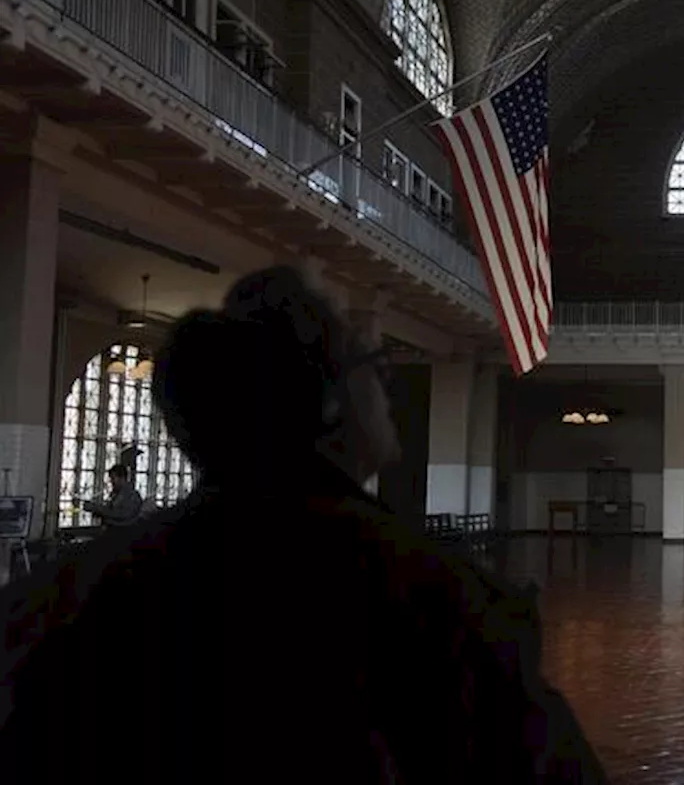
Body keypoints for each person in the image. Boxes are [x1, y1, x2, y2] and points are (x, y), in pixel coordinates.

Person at [0, 266, 606, 784]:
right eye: (374, 364)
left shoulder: (63, 596)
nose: (389, 385)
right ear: (332, 403)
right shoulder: (437, 598)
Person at [72, 463, 143, 528]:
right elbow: (108, 511)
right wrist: (94, 509)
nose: (111, 482)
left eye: (113, 478)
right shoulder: (115, 494)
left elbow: (123, 515)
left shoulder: (133, 496)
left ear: (122, 478)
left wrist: (98, 508)